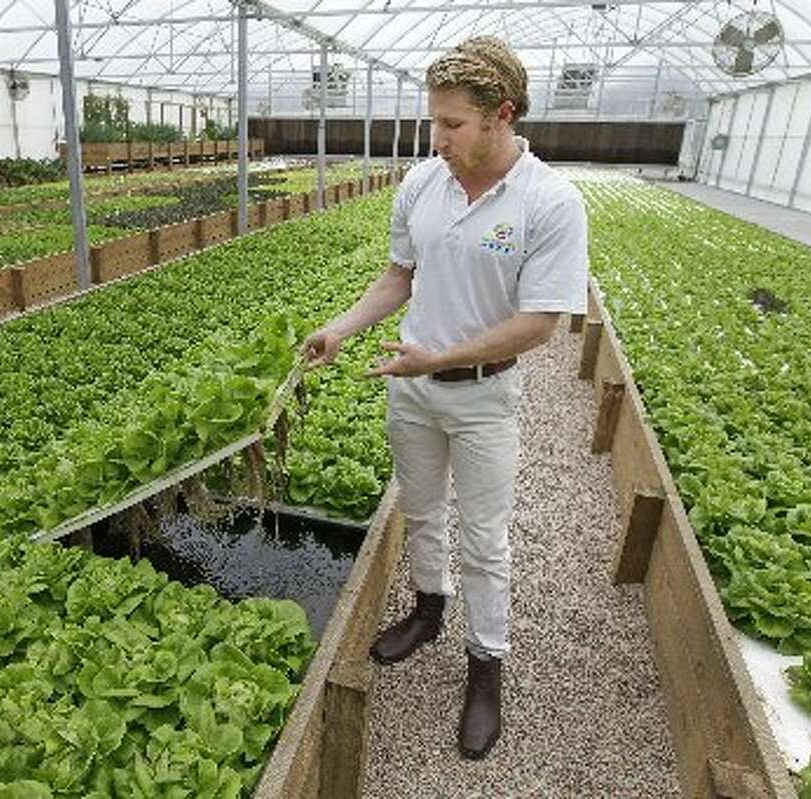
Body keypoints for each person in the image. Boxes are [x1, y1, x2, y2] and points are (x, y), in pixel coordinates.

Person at [302, 36, 588, 760]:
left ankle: (485, 663)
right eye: (434, 121)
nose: (439, 138)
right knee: (421, 508)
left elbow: (538, 323)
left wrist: (443, 356)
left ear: (503, 115)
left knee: (485, 537)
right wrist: (340, 328)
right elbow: (399, 277)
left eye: (453, 124)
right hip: (414, 387)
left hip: (485, 396)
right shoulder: (423, 184)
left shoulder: (548, 201)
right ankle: (429, 608)